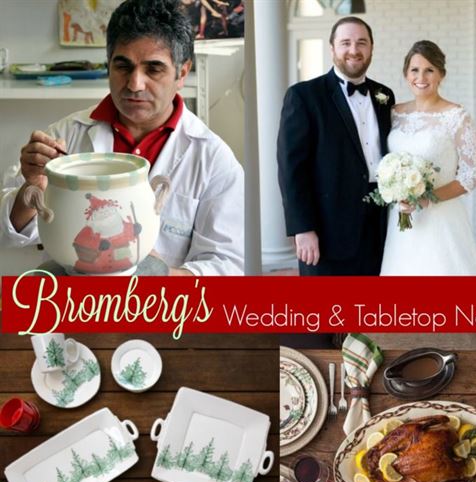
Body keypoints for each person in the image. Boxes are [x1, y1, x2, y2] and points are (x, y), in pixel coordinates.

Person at [0, 0, 243, 276]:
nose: (134, 84)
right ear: (109, 64)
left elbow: (228, 267)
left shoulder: (213, 159)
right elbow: (8, 235)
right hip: (71, 305)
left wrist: (156, 273)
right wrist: (31, 190)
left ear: (182, 73)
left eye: (153, 69)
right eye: (123, 66)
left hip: (165, 310)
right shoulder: (64, 137)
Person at [277, 17, 395, 276]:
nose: (354, 50)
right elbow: (291, 169)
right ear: (332, 48)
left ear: (372, 48)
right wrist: (303, 228)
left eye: (361, 42)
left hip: (379, 226)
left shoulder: (384, 95)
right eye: (345, 43)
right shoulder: (304, 96)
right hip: (327, 229)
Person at [380, 41, 476, 275]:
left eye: (429, 70)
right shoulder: (395, 114)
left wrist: (427, 199)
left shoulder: (457, 116)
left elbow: (472, 175)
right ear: (406, 74)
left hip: (441, 220)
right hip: (401, 222)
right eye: (415, 70)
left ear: (441, 74)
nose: (421, 77)